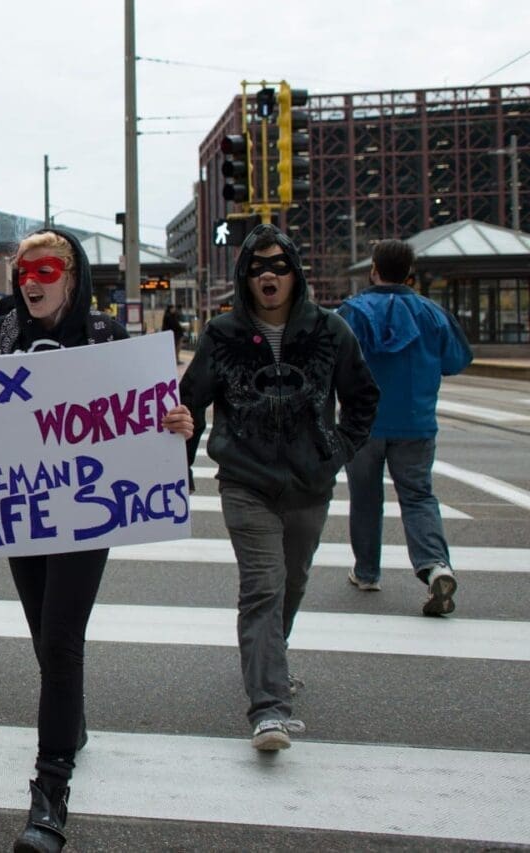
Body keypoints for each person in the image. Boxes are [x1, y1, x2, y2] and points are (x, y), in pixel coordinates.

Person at [0, 229, 193, 853]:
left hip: (87, 513)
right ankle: (72, 721)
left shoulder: (109, 340)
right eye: (22, 269)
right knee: (44, 636)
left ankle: (50, 789)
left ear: (72, 274)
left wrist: (178, 427)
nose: (31, 279)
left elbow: (152, 430)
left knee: (61, 640)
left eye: (46, 268)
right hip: (20, 513)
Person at [179, 224, 379, 752]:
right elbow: (188, 401)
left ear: (295, 274)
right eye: (258, 267)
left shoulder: (331, 331)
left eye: (279, 266)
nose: (268, 275)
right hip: (245, 481)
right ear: (245, 277)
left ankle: (273, 660)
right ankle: (268, 708)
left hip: (310, 484)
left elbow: (363, 398)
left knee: (291, 583)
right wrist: (180, 462)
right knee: (263, 586)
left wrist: (338, 450)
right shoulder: (221, 334)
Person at [337, 239, 472, 615]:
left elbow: (334, 362)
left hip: (362, 424)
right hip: (416, 423)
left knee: (365, 497)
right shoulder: (432, 313)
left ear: (373, 270)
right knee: (418, 497)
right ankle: (434, 567)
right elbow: (456, 360)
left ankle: (366, 572)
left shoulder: (354, 311)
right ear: (411, 274)